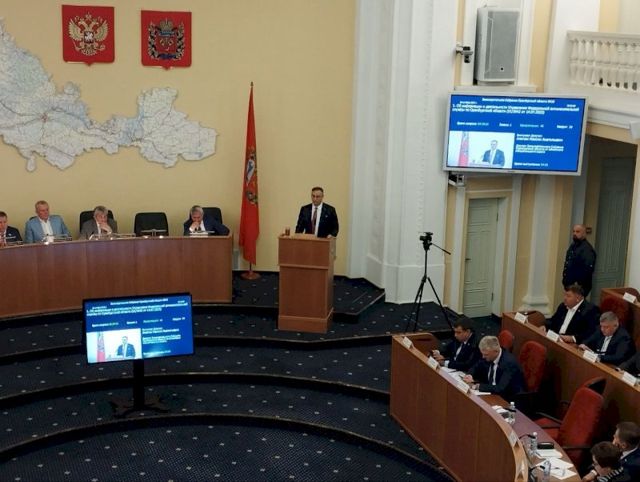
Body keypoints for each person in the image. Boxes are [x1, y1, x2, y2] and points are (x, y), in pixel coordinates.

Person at [463, 335, 525, 400]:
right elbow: (476, 366)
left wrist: (479, 386)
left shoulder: (509, 363)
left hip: (507, 398)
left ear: (496, 351)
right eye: (482, 354)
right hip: (491, 392)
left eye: (486, 354)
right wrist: (470, 375)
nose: (483, 357)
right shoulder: (488, 356)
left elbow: (501, 388)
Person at [562, 224, 596, 296]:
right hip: (569, 285)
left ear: (584, 234)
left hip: (578, 287)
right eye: (573, 231)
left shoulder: (587, 249)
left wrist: (576, 285)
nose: (574, 233)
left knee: (575, 303)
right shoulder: (573, 245)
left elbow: (587, 270)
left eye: (577, 232)